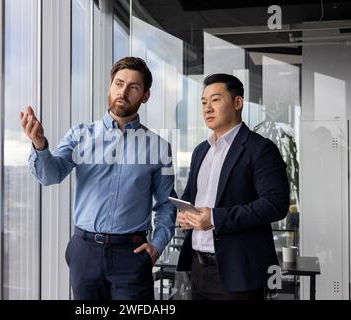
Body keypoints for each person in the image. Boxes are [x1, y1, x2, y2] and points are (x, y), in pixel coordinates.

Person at [21, 57, 176, 300]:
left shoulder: (158, 147)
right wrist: (40, 144)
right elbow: (50, 176)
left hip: (131, 254)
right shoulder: (80, 135)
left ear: (145, 95)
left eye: (133, 87)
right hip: (85, 252)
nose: (123, 91)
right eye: (118, 83)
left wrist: (157, 246)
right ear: (110, 86)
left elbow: (167, 204)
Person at [176, 73, 290, 300]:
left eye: (215, 100)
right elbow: (190, 196)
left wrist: (216, 218)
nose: (207, 108)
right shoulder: (201, 151)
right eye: (204, 102)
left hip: (239, 273)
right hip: (198, 269)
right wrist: (184, 215)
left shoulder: (260, 149)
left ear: (238, 103)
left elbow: (275, 204)